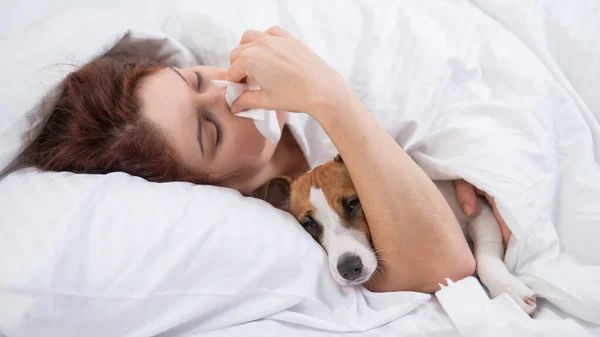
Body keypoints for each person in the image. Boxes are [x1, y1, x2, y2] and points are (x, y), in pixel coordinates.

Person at [27, 26, 512, 293]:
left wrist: (470, 159)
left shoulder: (250, 42)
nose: (227, 92)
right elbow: (445, 264)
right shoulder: (272, 224)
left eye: (194, 80)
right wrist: (331, 101)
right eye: (211, 130)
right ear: (205, 184)